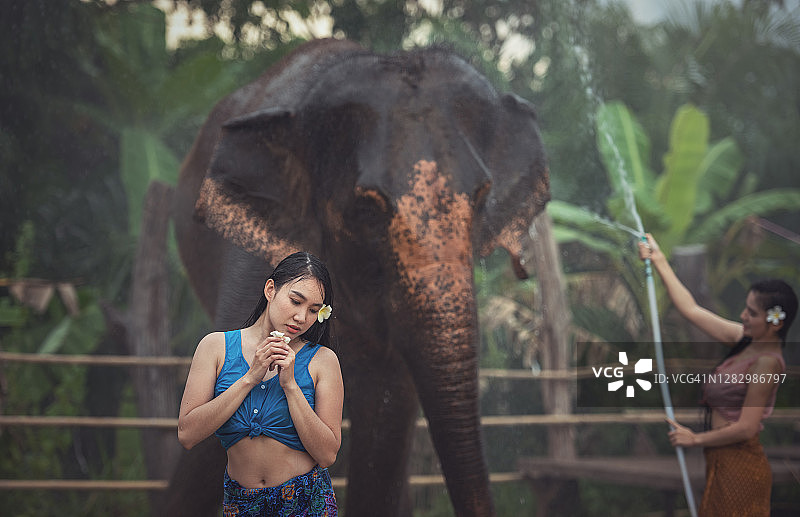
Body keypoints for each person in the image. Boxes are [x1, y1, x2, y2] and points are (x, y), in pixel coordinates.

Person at [638, 234, 797, 517]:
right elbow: (691, 309)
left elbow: (747, 428)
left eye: (751, 313)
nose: (743, 316)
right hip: (720, 463)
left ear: (775, 323)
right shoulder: (744, 339)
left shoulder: (767, 363)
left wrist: (695, 440)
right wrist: (659, 260)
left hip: (741, 467)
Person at [177, 251, 343, 517]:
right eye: (295, 301)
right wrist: (250, 378)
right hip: (241, 503)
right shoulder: (215, 347)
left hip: (305, 502)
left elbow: (327, 455)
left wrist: (290, 385)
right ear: (270, 289)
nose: (301, 317)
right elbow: (187, 434)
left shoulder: (323, 360)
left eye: (313, 310)